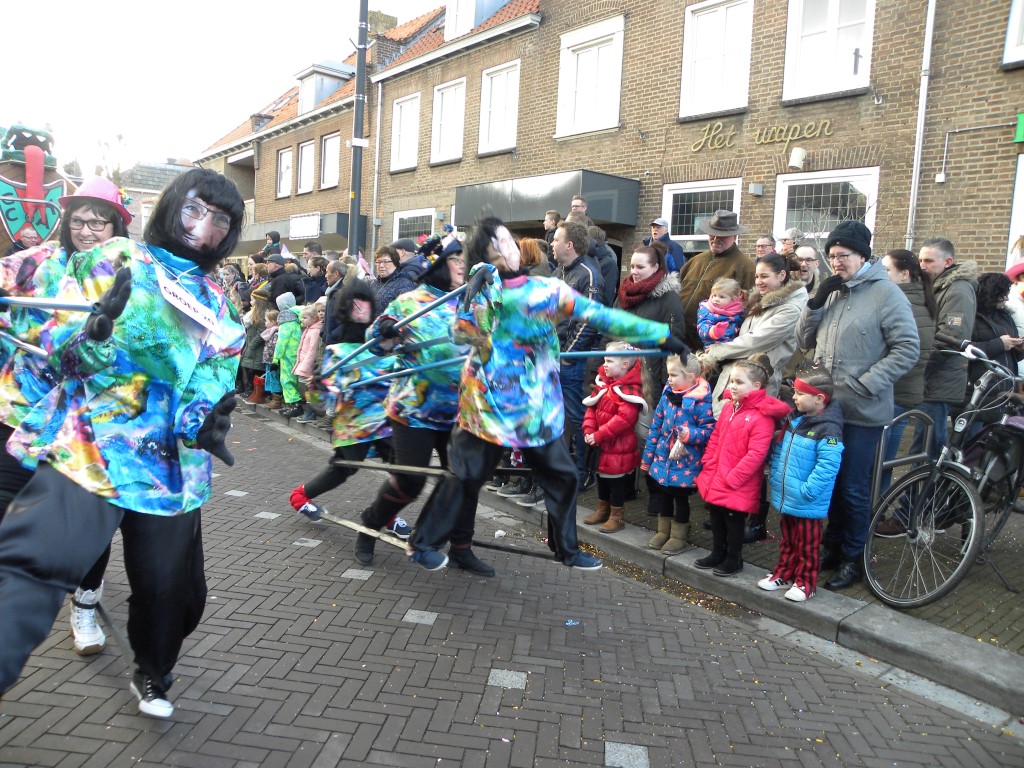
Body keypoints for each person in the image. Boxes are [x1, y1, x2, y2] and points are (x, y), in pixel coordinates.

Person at [0, 168, 245, 717]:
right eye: (193, 209)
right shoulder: (114, 259)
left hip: (166, 471)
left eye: (219, 219)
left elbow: (210, 382)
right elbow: (60, 343)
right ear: (171, 207)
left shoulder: (220, 308)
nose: (201, 226)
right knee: (31, 564)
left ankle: (153, 671)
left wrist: (203, 422)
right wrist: (88, 340)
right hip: (92, 447)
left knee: (174, 595)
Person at [406, 217, 688, 573]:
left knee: (563, 475)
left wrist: (660, 336)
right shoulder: (485, 289)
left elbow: (601, 316)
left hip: (536, 407)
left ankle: (566, 549)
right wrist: (477, 291)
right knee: (464, 475)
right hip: (488, 406)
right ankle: (423, 542)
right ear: (485, 256)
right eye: (495, 246)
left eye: (508, 240)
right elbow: (465, 336)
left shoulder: (547, 289)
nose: (507, 249)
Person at [0, 176, 132, 657]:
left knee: (88, 518)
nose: (87, 230)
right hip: (23, 405)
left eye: (98, 222)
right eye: (79, 220)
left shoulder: (130, 272)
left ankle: (85, 603)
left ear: (116, 226)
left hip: (89, 414)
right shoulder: (34, 262)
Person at [796, 221, 919, 590]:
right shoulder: (833, 291)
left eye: (843, 255)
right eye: (832, 256)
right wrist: (815, 302)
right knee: (830, 482)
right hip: (828, 409)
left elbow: (907, 349)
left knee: (853, 486)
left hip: (863, 411)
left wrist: (865, 383)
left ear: (863, 256)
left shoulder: (887, 294)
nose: (836, 262)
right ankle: (832, 547)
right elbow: (804, 341)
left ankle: (855, 557)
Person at [354, 236, 466, 567]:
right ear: (439, 266)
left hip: (459, 410)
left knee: (460, 478)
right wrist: (385, 330)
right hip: (414, 410)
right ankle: (370, 525)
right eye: (456, 260)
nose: (463, 266)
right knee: (410, 480)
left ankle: (452, 544)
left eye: (465, 260)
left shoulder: (467, 301)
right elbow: (374, 345)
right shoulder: (411, 301)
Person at [289, 279, 397, 520]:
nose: (360, 309)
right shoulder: (336, 350)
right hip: (353, 424)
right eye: (355, 304)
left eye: (364, 303)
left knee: (403, 470)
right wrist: (317, 385)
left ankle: (385, 515)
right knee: (344, 467)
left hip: (383, 421)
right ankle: (300, 496)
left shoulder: (381, 343)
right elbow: (320, 400)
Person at [695, 355, 790, 577]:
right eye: (731, 381)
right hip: (718, 472)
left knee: (733, 520)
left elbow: (756, 454)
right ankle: (718, 552)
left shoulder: (762, 416)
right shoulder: (730, 407)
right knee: (716, 515)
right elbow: (716, 436)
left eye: (739, 382)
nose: (732, 386)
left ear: (756, 386)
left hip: (737, 480)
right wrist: (709, 462)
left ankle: (734, 558)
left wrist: (733, 477)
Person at [761, 366, 844, 602]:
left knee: (808, 544)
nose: (794, 397)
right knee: (788, 539)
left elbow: (828, 465)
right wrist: (776, 477)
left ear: (819, 398)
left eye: (799, 393)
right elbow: (780, 450)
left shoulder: (829, 428)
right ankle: (785, 573)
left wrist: (809, 491)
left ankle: (806, 583)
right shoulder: (795, 419)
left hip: (806, 499)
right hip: (790, 494)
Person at [639, 354, 715, 555]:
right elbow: (656, 426)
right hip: (663, 458)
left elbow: (709, 431)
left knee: (680, 499)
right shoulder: (667, 395)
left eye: (673, 375)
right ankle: (664, 531)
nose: (669, 379)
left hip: (686, 462)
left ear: (690, 377)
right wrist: (648, 458)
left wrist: (690, 434)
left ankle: (679, 535)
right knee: (664, 496)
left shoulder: (701, 402)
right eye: (668, 374)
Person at [552, 219, 604, 488]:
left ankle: (583, 472)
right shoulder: (557, 272)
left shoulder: (588, 275)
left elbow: (588, 321)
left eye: (556, 240)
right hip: (554, 357)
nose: (552, 244)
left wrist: (568, 355)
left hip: (571, 361)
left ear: (569, 245)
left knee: (576, 416)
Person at [914, 238, 978, 458]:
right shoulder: (936, 286)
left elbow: (950, 338)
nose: (922, 266)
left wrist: (916, 364)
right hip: (930, 377)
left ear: (948, 262)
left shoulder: (957, 291)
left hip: (939, 379)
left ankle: (932, 481)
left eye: (929, 261)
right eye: (920, 260)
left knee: (928, 446)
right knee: (924, 443)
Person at [613, 242, 685, 434]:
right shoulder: (624, 295)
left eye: (640, 267)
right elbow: (610, 332)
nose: (634, 272)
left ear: (655, 267)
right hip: (620, 375)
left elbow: (673, 341)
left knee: (644, 434)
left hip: (649, 379)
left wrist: (666, 383)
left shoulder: (668, 299)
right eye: (632, 266)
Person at [879, 249, 936, 485]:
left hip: (894, 392)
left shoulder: (901, 303)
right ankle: (878, 503)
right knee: (884, 461)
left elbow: (907, 353)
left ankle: (875, 505)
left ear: (904, 274)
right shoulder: (921, 299)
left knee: (878, 462)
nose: (881, 275)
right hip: (903, 392)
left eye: (886, 270)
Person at [581, 342, 647, 534]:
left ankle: (617, 516)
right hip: (600, 443)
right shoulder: (603, 383)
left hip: (618, 445)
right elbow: (591, 408)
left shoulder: (629, 390)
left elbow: (624, 420)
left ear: (625, 364)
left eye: (609, 361)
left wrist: (599, 435)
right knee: (601, 477)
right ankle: (603, 509)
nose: (605, 364)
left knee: (615, 481)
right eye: (604, 360)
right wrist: (589, 430)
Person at [677, 210, 756, 351]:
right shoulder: (695, 261)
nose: (715, 238)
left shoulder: (746, 267)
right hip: (679, 337)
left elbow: (749, 311)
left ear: (735, 236)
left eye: (722, 236)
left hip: (710, 345)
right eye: (712, 234)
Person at [964, 273, 1024, 434]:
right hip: (978, 390)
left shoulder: (1006, 316)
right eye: (1002, 294)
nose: (1006, 298)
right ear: (991, 294)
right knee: (971, 439)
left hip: (1002, 391)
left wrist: (1019, 348)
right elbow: (965, 349)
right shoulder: (971, 316)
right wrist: (1000, 344)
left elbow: (1011, 354)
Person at [273, 292, 303, 418]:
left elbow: (282, 342)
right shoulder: (297, 317)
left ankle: (295, 404)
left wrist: (275, 358)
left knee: (286, 379)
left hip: (287, 354)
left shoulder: (286, 322)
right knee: (294, 379)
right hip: (297, 352)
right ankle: (292, 404)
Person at [292, 304, 324, 422]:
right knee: (308, 389)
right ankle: (310, 412)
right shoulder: (309, 329)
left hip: (308, 367)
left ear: (314, 318)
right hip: (304, 365)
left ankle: (311, 412)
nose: (302, 320)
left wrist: (304, 367)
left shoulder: (315, 331)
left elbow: (312, 351)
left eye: (305, 318)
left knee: (310, 389)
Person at [696, 277, 745, 347]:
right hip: (714, 347)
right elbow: (702, 327)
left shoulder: (739, 310)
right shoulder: (708, 310)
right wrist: (713, 331)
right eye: (714, 295)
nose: (716, 299)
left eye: (721, 297)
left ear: (733, 299)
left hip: (735, 347)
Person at [241, 287, 270, 404]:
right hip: (250, 344)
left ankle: (256, 392)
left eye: (252, 300)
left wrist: (252, 345)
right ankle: (251, 390)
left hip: (257, 348)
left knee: (255, 370)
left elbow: (261, 333)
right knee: (249, 369)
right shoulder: (252, 314)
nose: (250, 302)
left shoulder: (262, 316)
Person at [373, 244, 420, 313]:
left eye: (386, 262)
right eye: (378, 262)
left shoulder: (404, 284)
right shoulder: (372, 283)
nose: (381, 265)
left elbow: (406, 312)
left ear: (395, 263)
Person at [260, 307, 283, 409]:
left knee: (274, 379)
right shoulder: (270, 332)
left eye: (266, 321)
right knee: (270, 378)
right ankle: (273, 397)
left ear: (273, 322)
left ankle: (276, 400)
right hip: (268, 360)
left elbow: (274, 348)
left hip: (273, 361)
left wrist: (274, 360)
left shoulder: (276, 334)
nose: (265, 323)